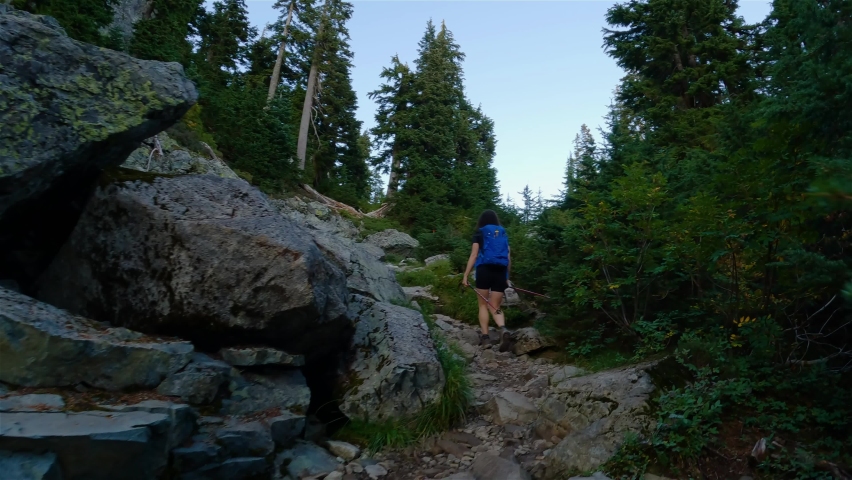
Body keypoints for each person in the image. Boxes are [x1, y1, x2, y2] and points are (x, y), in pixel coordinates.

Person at [462, 209, 512, 351]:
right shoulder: (502, 233)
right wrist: (507, 277)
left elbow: (474, 255)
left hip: (484, 270)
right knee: (495, 306)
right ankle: (503, 329)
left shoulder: (479, 232)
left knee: (483, 305)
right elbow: (508, 258)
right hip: (500, 271)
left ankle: (485, 339)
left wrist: (466, 275)